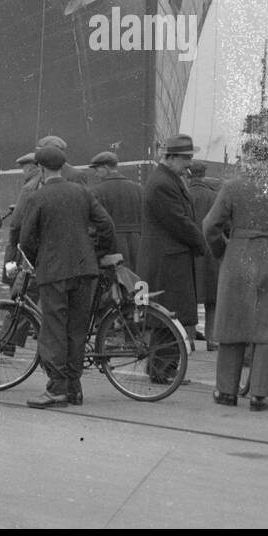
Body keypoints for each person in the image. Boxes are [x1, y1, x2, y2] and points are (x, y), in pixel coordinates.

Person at [202, 138, 268, 410]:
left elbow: (210, 225)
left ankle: (226, 392)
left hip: (239, 257)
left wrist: (223, 249)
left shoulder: (233, 187)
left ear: (247, 157)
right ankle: (258, 395)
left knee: (233, 325)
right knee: (267, 327)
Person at [18, 144, 115, 407]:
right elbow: (106, 224)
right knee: (77, 330)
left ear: (40, 168)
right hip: (85, 270)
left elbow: (25, 240)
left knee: (54, 330)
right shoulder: (82, 191)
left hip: (53, 272)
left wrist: (41, 259)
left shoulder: (37, 197)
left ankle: (57, 388)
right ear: (62, 166)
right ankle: (74, 388)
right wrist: (96, 253)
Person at [139, 134, 206, 345]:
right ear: (171, 157)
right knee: (167, 317)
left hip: (169, 259)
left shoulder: (166, 179)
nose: (190, 163)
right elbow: (179, 221)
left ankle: (163, 370)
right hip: (167, 262)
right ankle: (163, 372)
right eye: (186, 158)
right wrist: (200, 243)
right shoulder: (162, 183)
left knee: (168, 317)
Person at [89, 151, 143, 269]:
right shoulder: (138, 189)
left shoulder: (96, 191)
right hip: (138, 245)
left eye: (97, 170)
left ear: (106, 168)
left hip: (113, 246)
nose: (96, 175)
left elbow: (96, 225)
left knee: (117, 283)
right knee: (138, 282)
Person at [187, 162, 221, 349]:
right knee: (212, 298)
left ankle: (189, 339)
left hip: (190, 251)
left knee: (189, 296)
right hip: (211, 251)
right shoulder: (214, 196)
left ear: (189, 175)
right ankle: (213, 339)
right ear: (204, 175)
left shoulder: (183, 195)